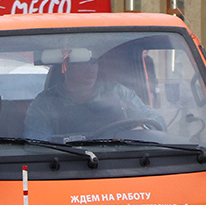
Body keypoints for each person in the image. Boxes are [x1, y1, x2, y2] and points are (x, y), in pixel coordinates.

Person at [24, 48, 164, 141]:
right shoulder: (45, 104)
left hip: (122, 162)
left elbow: (157, 121)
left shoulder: (119, 93)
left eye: (94, 62)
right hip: (67, 169)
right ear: (66, 67)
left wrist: (143, 130)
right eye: (83, 63)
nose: (91, 68)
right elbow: (36, 147)